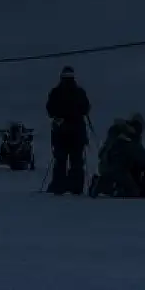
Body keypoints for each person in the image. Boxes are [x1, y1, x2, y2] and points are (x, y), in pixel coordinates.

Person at [45, 66, 91, 195]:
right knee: (76, 161)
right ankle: (76, 187)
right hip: (77, 132)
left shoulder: (55, 92)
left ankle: (59, 186)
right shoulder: (79, 92)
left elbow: (50, 110)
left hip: (61, 132)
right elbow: (86, 109)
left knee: (60, 160)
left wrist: (59, 118)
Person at [90, 117, 145, 198]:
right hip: (118, 170)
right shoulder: (129, 138)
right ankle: (108, 187)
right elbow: (141, 155)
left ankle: (102, 182)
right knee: (133, 191)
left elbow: (100, 153)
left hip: (104, 168)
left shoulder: (114, 136)